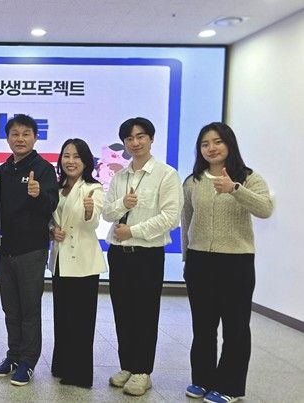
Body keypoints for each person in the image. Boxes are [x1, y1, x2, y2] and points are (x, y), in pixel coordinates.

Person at [181, 122, 273, 403]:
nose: (211, 148)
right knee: (203, 326)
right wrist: (186, 258)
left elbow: (265, 209)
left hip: (236, 262)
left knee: (235, 328)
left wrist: (235, 189)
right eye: (205, 144)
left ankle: (230, 386)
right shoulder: (193, 181)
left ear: (229, 144)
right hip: (199, 260)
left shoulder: (248, 177)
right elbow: (187, 221)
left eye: (217, 142)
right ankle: (202, 380)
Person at [102, 117, 183, 396]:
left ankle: (142, 372)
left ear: (151, 139)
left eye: (140, 137)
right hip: (119, 254)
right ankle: (127, 365)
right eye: (129, 138)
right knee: (122, 312)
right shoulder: (119, 177)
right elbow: (107, 213)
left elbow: (170, 218)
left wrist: (133, 231)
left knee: (145, 314)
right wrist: (122, 203)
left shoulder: (166, 174)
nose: (135, 143)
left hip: (147, 255)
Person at [0, 114, 59, 386]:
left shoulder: (43, 169)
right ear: (8, 138)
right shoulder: (3, 169)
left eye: (26, 134)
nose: (20, 139)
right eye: (15, 134)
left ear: (35, 137)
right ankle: (13, 355)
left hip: (31, 250)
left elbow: (50, 205)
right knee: (10, 308)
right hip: (5, 249)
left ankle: (28, 361)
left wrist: (37, 194)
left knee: (30, 309)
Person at [48, 138, 106, 388]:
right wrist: (52, 230)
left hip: (83, 262)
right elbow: (50, 218)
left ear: (86, 161)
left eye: (76, 157)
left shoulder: (93, 188)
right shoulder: (57, 187)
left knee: (81, 320)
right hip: (60, 261)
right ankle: (62, 365)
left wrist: (89, 210)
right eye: (66, 156)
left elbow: (94, 222)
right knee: (62, 317)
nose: (70, 161)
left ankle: (80, 374)